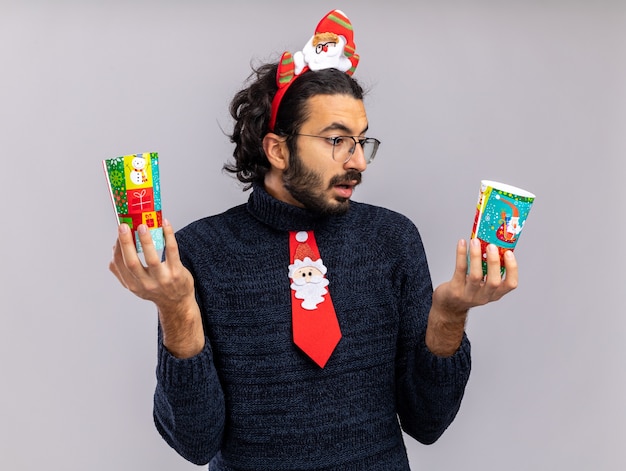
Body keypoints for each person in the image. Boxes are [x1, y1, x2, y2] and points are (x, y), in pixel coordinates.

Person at [108, 9, 518, 471]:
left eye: (362, 142)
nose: (359, 161)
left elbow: (427, 422)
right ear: (278, 149)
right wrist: (176, 310)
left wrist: (450, 313)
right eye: (337, 140)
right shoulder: (200, 253)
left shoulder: (393, 240)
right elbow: (195, 443)